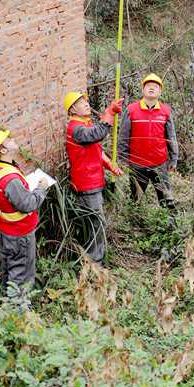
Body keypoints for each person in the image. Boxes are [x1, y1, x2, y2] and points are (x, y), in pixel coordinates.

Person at [0, 129, 50, 304]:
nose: (12, 139)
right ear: (2, 150)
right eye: (7, 139)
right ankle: (19, 314)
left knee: (10, 271)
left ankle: (8, 306)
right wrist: (41, 187)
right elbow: (28, 204)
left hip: (7, 231)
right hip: (20, 235)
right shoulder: (10, 179)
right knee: (22, 275)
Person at [64, 90, 123, 263]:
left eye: (86, 101)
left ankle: (96, 259)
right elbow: (97, 134)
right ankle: (93, 263)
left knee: (97, 223)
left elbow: (96, 149)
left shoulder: (86, 124)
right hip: (86, 185)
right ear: (73, 109)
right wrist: (110, 113)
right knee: (96, 224)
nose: (87, 104)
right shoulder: (76, 129)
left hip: (94, 181)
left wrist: (110, 165)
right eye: (82, 102)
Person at [118, 73, 178, 211]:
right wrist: (122, 160)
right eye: (148, 86)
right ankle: (135, 226)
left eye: (155, 86)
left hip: (159, 164)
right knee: (135, 200)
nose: (151, 88)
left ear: (160, 91)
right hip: (137, 165)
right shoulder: (131, 110)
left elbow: (171, 137)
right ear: (143, 90)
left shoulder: (165, 111)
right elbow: (123, 138)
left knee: (166, 199)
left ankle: (169, 225)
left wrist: (173, 159)